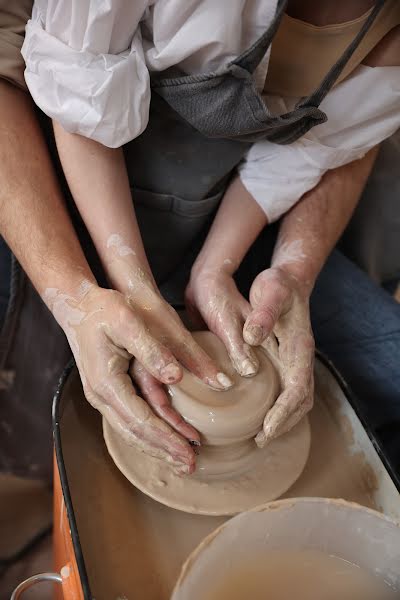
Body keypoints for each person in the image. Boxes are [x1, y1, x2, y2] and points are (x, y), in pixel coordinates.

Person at [0, 0, 399, 478]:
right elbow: (77, 85)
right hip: (58, 154)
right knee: (59, 404)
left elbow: (326, 149)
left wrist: (240, 267)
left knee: (388, 370)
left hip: (225, 198)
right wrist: (103, 293)